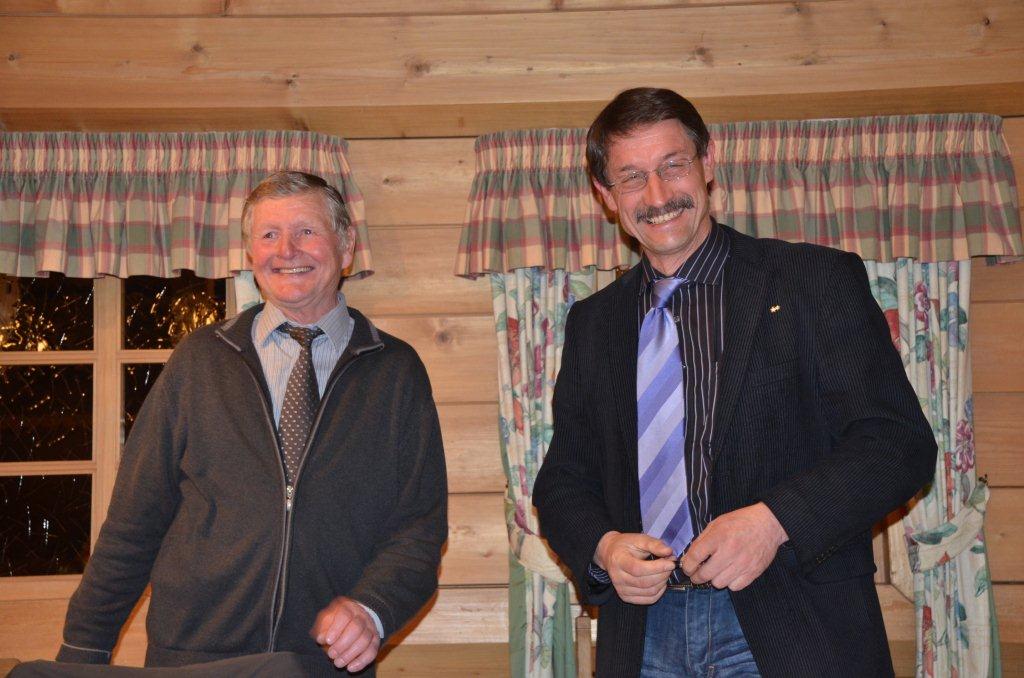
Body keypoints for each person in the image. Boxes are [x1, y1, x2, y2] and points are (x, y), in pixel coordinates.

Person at [532, 88, 937, 677]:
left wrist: (773, 522)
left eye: (673, 166)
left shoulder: (812, 281)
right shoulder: (592, 323)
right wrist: (604, 548)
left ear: (708, 162)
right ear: (606, 195)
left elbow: (898, 444)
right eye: (632, 177)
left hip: (794, 630)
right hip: (642, 637)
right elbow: (563, 481)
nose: (658, 195)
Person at [56, 171, 447, 675]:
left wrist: (372, 608)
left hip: (324, 663)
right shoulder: (199, 361)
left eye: (306, 231)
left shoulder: (396, 371)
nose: (286, 250)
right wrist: (82, 652)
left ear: (346, 245)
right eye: (269, 235)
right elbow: (134, 520)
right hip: (192, 660)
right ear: (250, 252)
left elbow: (418, 529)